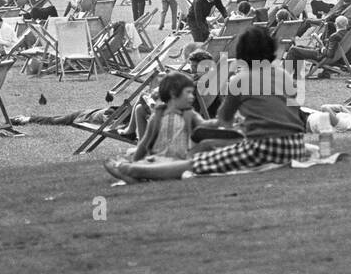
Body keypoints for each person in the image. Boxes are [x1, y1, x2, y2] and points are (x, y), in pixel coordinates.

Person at [104, 27, 307, 182]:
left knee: (198, 163)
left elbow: (223, 121)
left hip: (265, 147)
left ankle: (132, 170)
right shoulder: (285, 76)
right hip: (296, 145)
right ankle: (142, 166)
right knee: (214, 149)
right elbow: (293, 113)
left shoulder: (240, 80)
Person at [131, 72, 201, 161]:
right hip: (157, 159)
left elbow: (205, 125)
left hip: (180, 162)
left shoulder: (190, 115)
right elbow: (145, 142)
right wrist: (135, 161)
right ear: (173, 94)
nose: (192, 96)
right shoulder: (157, 116)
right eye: (188, 92)